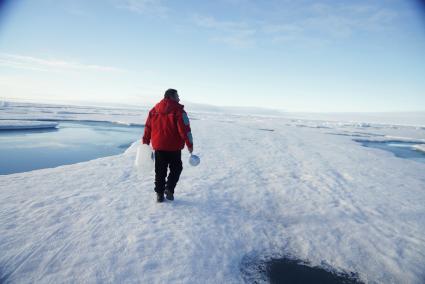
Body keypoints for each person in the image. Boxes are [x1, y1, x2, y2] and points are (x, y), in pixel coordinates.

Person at [142, 89, 193, 202]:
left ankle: (159, 195)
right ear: (171, 97)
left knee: (160, 171)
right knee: (176, 169)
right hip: (174, 148)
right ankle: (169, 189)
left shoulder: (153, 111)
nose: (179, 99)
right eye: (177, 96)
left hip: (159, 147)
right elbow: (185, 130)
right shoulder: (179, 111)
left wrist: (145, 143)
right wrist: (190, 145)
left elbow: (147, 128)